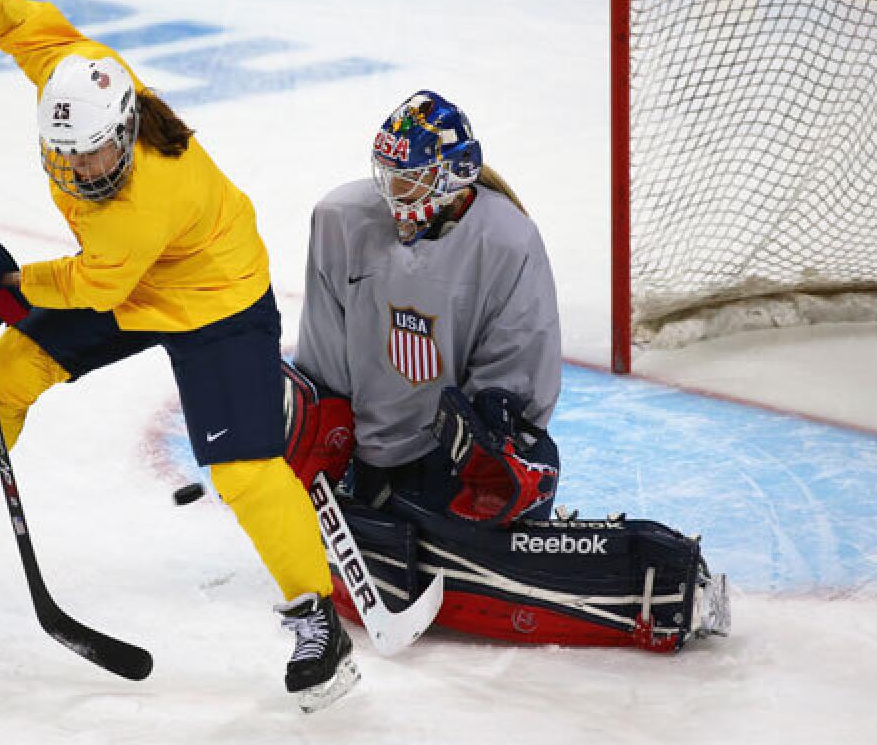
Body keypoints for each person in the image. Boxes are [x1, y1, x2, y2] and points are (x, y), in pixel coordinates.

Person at [0, 0, 357, 709]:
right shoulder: (84, 82)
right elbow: (23, 22)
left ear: (123, 131)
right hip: (131, 281)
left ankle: (318, 618)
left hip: (215, 300)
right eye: (68, 153)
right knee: (13, 365)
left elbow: (96, 286)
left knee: (244, 470)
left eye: (94, 153)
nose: (81, 168)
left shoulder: (142, 197)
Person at [281, 91, 730, 652]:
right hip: (367, 463)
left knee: (468, 550)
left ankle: (653, 585)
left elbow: (518, 390)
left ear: (455, 177)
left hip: (450, 465)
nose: (393, 194)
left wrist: (481, 454)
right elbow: (322, 364)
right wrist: (318, 455)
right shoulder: (340, 220)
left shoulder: (507, 239)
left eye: (410, 180)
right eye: (389, 176)